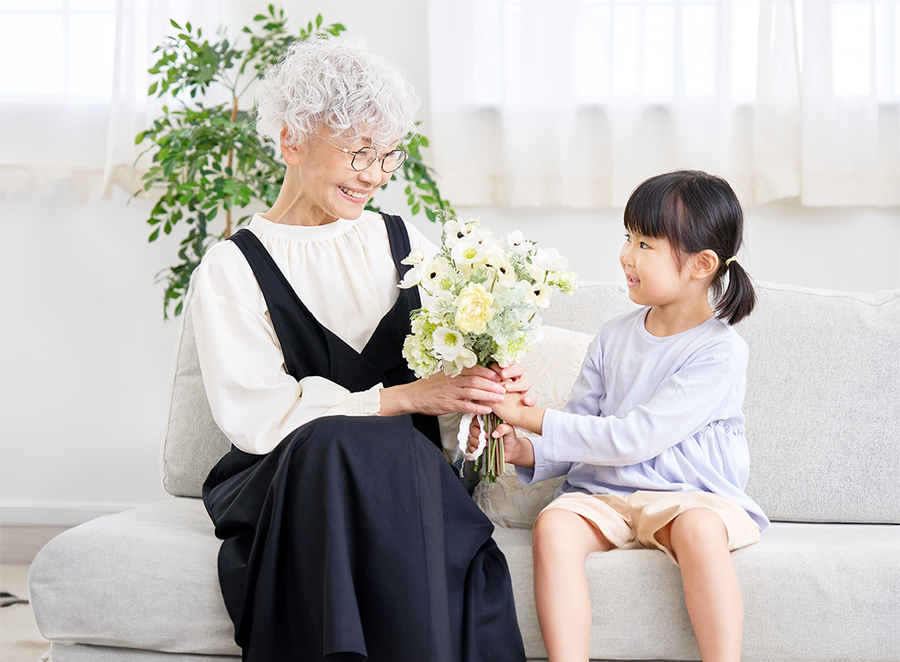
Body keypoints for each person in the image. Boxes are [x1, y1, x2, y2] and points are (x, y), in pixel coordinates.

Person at [193, 37, 527, 662]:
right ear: (291, 141)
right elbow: (258, 417)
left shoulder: (405, 243)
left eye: (387, 155)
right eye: (359, 152)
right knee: (336, 442)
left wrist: (482, 395)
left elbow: (449, 396)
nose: (375, 174)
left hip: (404, 475)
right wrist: (403, 398)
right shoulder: (233, 268)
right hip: (290, 478)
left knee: (391, 446)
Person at [468, 170, 769, 662]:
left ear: (701, 264)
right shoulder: (611, 336)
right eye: (627, 237)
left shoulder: (720, 352)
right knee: (554, 527)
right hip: (605, 493)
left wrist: (529, 416)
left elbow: (635, 438)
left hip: (684, 495)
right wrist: (526, 447)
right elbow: (583, 424)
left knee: (699, 529)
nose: (628, 255)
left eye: (646, 243)